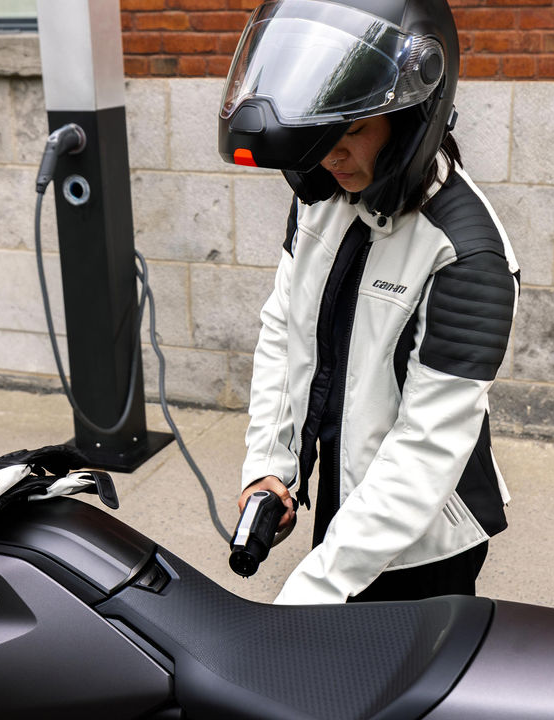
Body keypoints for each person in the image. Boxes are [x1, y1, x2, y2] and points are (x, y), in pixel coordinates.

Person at [220, 0, 520, 605]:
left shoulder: (467, 254)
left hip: (422, 540)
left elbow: (426, 446)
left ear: (410, 118)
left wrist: (314, 587)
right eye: (324, 125)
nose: (332, 154)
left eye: (353, 128)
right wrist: (270, 467)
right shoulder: (320, 200)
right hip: (344, 500)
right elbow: (286, 332)